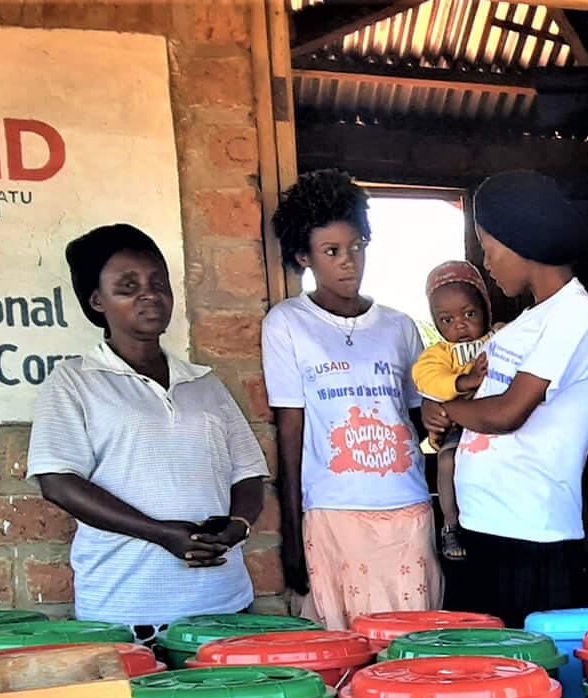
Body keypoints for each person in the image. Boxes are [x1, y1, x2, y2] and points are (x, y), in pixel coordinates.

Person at [28, 223, 266, 630]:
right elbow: (58, 482)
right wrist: (160, 533)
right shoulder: (74, 381)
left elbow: (249, 473)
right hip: (128, 605)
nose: (149, 294)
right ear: (97, 300)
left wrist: (237, 528)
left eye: (159, 282)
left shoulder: (203, 383)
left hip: (223, 601)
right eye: (128, 286)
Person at [419, 170, 588, 625]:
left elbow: (509, 411)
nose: (486, 261)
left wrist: (447, 409)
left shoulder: (578, 314)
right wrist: (450, 401)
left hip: (531, 533)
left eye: (489, 246)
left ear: (521, 237)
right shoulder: (531, 319)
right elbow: (483, 393)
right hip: (488, 525)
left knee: (524, 676)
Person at [263, 169, 435, 632]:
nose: (348, 262)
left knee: (410, 643)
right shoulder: (287, 324)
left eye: (356, 247)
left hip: (407, 508)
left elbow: (421, 420)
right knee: (347, 643)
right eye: (332, 252)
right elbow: (290, 431)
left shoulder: (399, 327)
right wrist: (291, 533)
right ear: (305, 256)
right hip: (333, 514)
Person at [412, 259, 497, 561]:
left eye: (469, 314)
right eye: (446, 320)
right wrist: (464, 382)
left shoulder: (500, 337)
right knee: (448, 461)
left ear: (486, 309)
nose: (459, 325)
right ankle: (451, 524)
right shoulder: (439, 355)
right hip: (460, 428)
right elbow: (427, 379)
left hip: (498, 424)